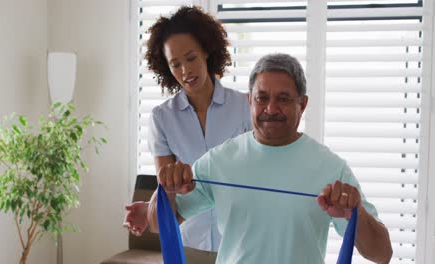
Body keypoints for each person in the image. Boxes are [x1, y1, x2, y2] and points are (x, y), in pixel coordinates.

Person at [147, 53, 393, 263]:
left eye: (283, 99)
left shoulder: (331, 168)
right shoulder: (219, 160)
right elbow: (159, 224)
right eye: (261, 98)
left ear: (303, 104)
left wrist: (355, 212)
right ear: (249, 101)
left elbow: (382, 254)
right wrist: (166, 190)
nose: (271, 109)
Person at [123, 6, 251, 263]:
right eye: (175, 64)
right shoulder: (163, 118)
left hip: (241, 245)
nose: (185, 71)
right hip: (190, 246)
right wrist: (152, 206)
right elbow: (166, 188)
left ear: (206, 50)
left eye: (191, 58)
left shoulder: (244, 107)